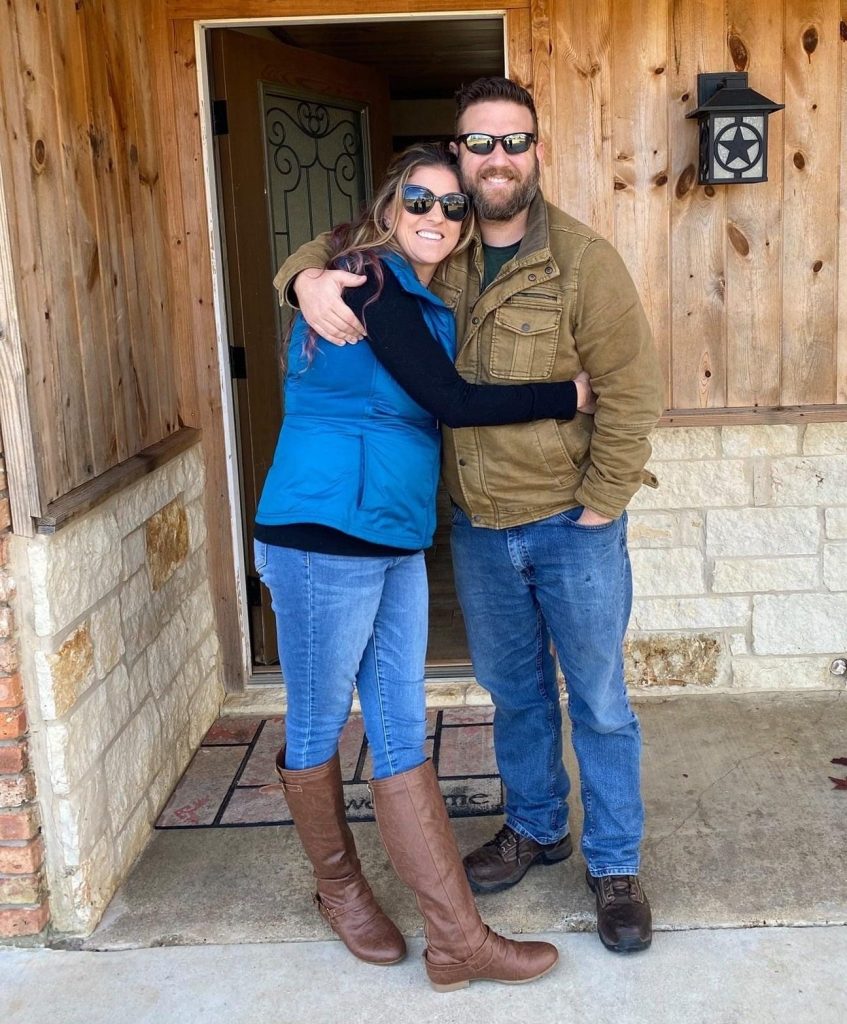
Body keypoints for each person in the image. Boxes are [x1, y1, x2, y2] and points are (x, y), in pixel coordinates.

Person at [277, 78, 665, 955]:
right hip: (478, 529)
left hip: (569, 522)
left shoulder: (581, 261)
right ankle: (535, 826)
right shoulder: (436, 244)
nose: (497, 159)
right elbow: (342, 245)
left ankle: (613, 865)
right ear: (458, 154)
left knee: (599, 701)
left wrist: (602, 502)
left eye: (513, 141)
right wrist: (304, 278)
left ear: (536, 151)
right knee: (514, 695)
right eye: (478, 143)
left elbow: (631, 390)